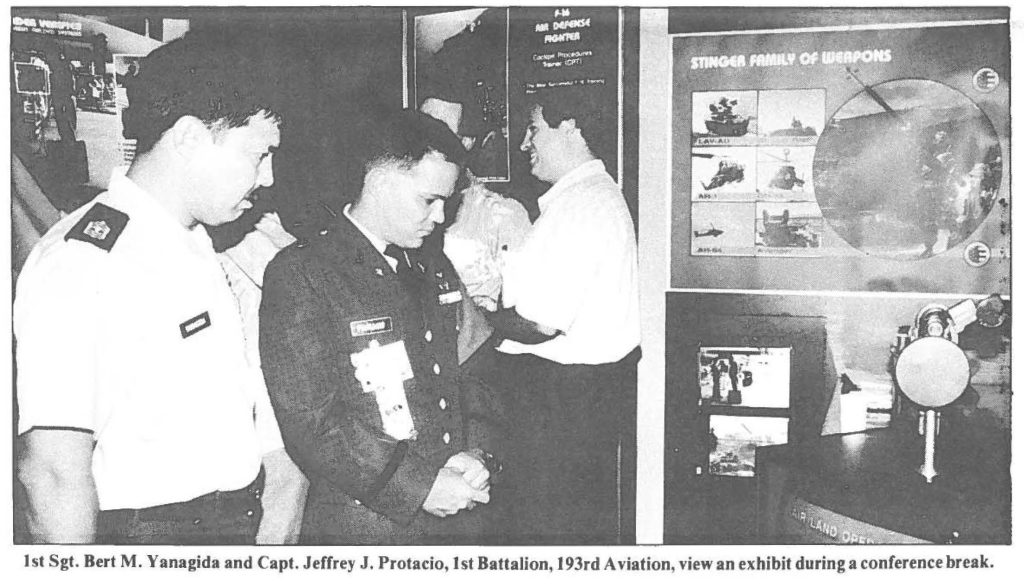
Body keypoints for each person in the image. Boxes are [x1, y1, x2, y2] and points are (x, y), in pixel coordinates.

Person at [14, 31, 305, 545]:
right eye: (257, 154)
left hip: (231, 523)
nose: (268, 177)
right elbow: (52, 474)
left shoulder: (195, 239)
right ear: (190, 137)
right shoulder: (84, 262)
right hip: (153, 537)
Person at [259, 108, 504, 545]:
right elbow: (312, 422)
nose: (442, 216)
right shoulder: (304, 273)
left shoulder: (432, 262)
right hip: (368, 526)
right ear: (379, 182)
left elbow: (476, 368)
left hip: (457, 511)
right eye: (429, 200)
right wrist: (417, 486)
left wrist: (478, 451)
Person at [488, 88, 641, 544]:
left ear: (571, 127)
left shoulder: (582, 206)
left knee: (544, 531)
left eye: (533, 129)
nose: (523, 144)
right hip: (578, 399)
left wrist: (475, 315)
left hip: (559, 403)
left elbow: (539, 325)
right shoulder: (586, 198)